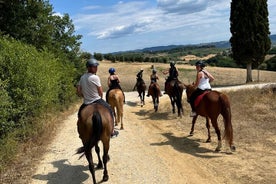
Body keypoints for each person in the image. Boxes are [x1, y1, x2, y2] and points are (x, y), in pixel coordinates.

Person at [76, 58, 119, 137]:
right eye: (94, 67)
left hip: (86, 102)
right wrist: (101, 98)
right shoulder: (95, 77)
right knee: (110, 110)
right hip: (96, 100)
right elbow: (100, 91)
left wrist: (84, 96)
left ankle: (81, 132)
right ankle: (112, 131)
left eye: (96, 66)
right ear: (89, 67)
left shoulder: (82, 77)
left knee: (79, 115)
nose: (96, 68)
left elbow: (78, 90)